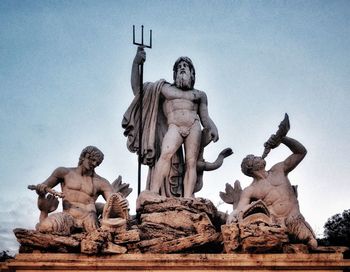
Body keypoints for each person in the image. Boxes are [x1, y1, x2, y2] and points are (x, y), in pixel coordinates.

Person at [123, 47, 218, 198]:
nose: (182, 68)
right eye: (179, 67)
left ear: (192, 73)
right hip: (174, 126)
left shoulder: (199, 94)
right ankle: (154, 192)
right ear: (174, 74)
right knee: (165, 155)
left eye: (185, 66)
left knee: (191, 162)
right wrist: (136, 63)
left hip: (193, 125)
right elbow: (138, 90)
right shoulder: (164, 88)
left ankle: (187, 198)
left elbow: (205, 117)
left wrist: (212, 127)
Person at [227, 135, 317, 249]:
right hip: (275, 224)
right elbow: (240, 209)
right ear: (250, 166)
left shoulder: (279, 169)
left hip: (294, 218)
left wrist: (282, 139)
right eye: (254, 158)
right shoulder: (251, 190)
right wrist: (233, 214)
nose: (259, 157)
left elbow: (301, 152)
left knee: (312, 244)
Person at [34, 146, 117, 234]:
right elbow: (43, 187)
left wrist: (121, 202)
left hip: (89, 218)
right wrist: (41, 193)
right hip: (68, 216)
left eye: (97, 163)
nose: (94, 163)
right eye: (92, 159)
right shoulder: (64, 172)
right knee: (45, 227)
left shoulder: (101, 182)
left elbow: (113, 201)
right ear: (84, 156)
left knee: (94, 241)